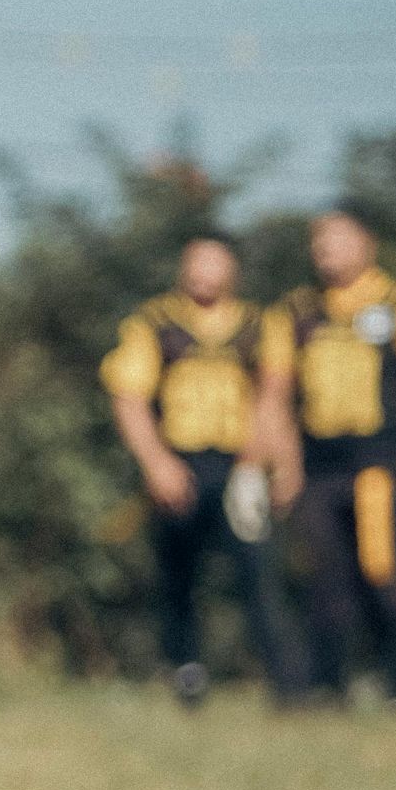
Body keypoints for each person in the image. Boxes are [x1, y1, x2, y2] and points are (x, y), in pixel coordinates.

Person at [258, 208, 396, 706]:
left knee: (384, 569)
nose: (325, 246)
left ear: (367, 242)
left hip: (377, 462)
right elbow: (275, 395)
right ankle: (329, 688)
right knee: (324, 577)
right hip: (319, 466)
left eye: (338, 236)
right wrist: (279, 465)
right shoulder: (295, 312)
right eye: (318, 237)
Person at [102, 236, 300, 706]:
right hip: (181, 463)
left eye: (213, 262)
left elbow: (274, 396)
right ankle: (187, 673)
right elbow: (129, 398)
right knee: (178, 575)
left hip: (240, 466)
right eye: (194, 262)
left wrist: (277, 462)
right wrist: (156, 462)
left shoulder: (258, 324)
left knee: (257, 573)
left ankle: (287, 684)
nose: (202, 273)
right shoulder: (155, 323)